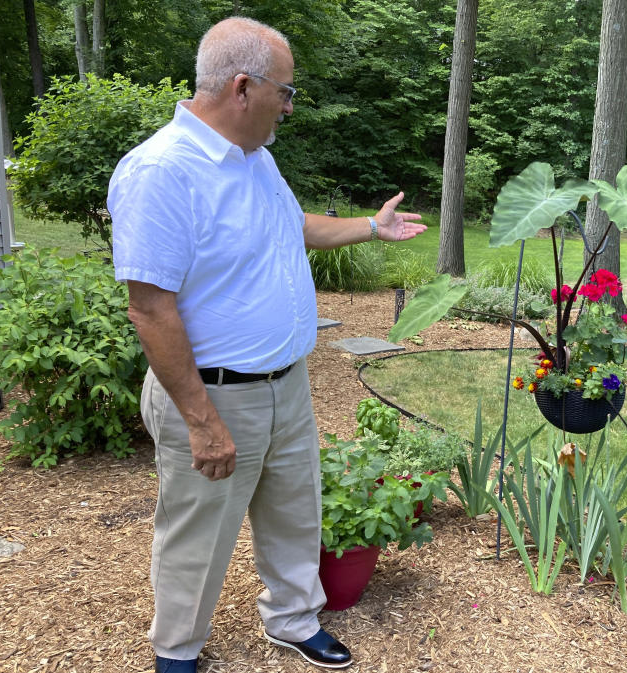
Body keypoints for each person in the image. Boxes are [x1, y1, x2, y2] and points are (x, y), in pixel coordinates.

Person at [107, 17, 426, 673]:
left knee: (294, 514)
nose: (289, 105)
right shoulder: (161, 172)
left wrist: (370, 226)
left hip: (285, 385)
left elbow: (295, 224)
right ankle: (177, 651)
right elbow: (149, 307)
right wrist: (202, 420)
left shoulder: (256, 158)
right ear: (243, 87)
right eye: (286, 92)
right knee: (197, 535)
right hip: (215, 395)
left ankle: (292, 618)